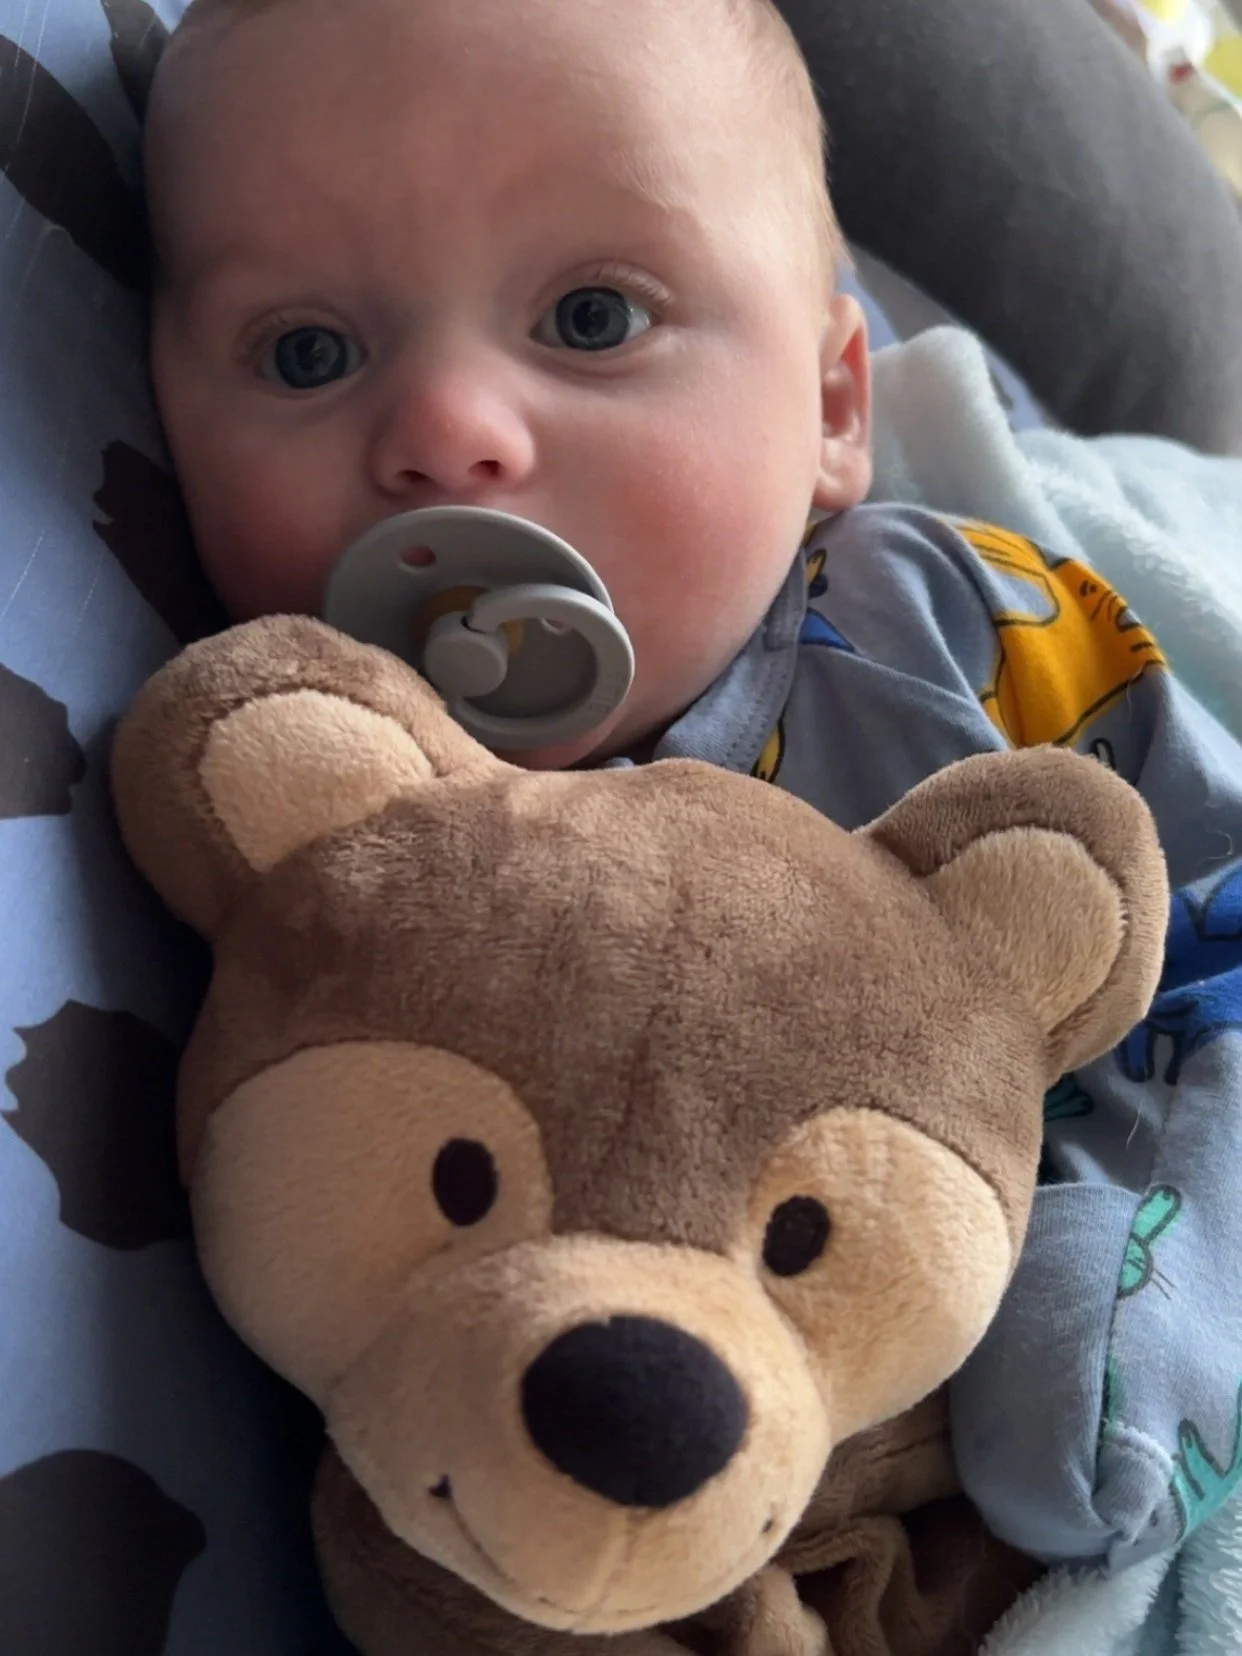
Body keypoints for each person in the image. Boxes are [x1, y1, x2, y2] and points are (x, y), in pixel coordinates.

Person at [143, 0, 1242, 1574]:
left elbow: (1219, 945)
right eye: (305, 350)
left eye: (592, 318)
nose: (446, 431)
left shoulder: (952, 642)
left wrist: (1147, 1245)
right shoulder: (295, 804)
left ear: (832, 408)